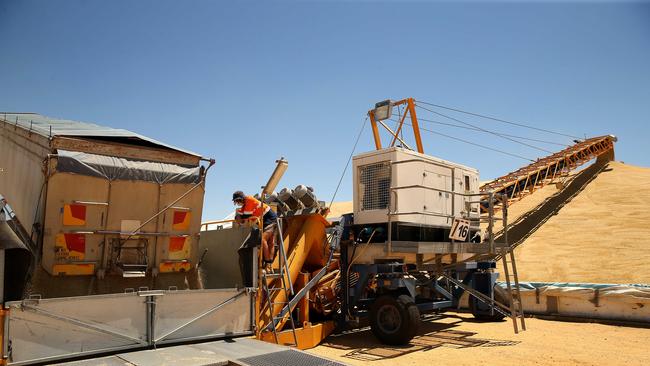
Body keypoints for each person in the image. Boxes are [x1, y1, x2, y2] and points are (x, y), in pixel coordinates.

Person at [232, 191, 277, 265]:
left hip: (270, 218)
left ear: (240, 199)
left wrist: (240, 218)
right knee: (270, 242)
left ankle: (268, 262)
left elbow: (246, 216)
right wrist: (238, 218)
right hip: (264, 220)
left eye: (237, 201)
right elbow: (240, 215)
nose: (237, 203)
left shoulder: (249, 199)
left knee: (263, 240)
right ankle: (269, 263)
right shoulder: (244, 206)